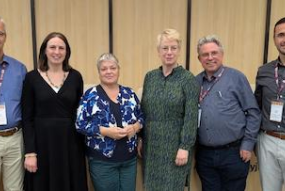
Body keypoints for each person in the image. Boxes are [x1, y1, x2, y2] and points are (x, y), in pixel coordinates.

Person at [21, 32, 88, 191]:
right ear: (44, 50)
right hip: (42, 144)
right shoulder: (31, 78)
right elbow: (27, 117)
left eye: (61, 48)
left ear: (67, 52)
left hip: (70, 144)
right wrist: (30, 152)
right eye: (52, 47)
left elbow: (80, 113)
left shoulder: (76, 77)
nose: (57, 52)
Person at [195, 35, 261, 191]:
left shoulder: (236, 78)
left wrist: (248, 144)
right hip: (205, 155)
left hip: (234, 153)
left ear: (222, 55)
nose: (210, 58)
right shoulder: (195, 82)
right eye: (205, 54)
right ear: (199, 58)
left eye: (214, 53)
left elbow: (253, 113)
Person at [140, 29, 199, 191]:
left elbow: (191, 116)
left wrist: (185, 147)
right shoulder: (150, 77)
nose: (169, 52)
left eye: (173, 48)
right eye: (165, 48)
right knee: (151, 186)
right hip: (151, 144)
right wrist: (140, 138)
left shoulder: (188, 79)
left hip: (175, 147)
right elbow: (143, 110)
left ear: (179, 50)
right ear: (158, 51)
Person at [76, 53, 144, 191]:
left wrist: (135, 127)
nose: (109, 72)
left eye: (112, 68)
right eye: (104, 69)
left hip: (129, 159)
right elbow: (79, 124)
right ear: (99, 72)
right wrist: (105, 131)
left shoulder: (129, 93)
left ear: (118, 70)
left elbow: (142, 117)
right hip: (102, 161)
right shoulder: (90, 95)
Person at [255, 17, 285, 191]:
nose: (284, 39)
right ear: (274, 39)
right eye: (280, 35)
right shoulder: (264, 71)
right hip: (268, 140)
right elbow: (256, 106)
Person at [0, 16, 27, 191]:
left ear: (5, 37)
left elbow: (28, 105)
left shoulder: (19, 69)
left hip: (15, 138)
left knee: (15, 189)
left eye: (0, 33)